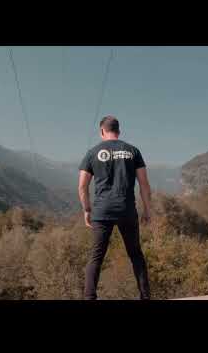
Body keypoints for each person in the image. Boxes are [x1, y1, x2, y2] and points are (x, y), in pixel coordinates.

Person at [78, 115, 152, 300]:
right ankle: (145, 296)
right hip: (127, 210)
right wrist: (147, 210)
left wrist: (87, 210)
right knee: (135, 254)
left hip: (102, 212)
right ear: (119, 131)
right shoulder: (133, 151)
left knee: (96, 257)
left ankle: (89, 297)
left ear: (102, 131)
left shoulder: (92, 152)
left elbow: (82, 186)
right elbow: (144, 184)